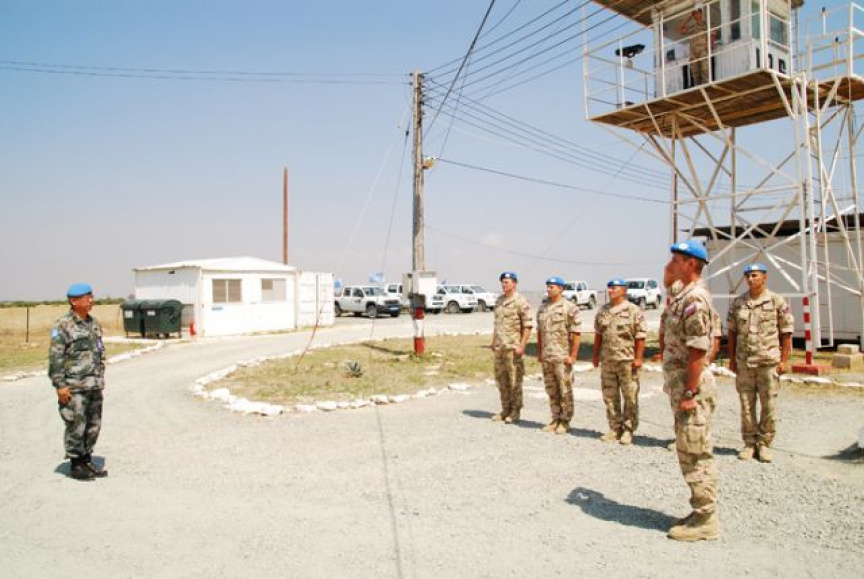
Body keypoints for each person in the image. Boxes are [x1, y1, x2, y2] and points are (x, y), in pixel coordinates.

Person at [662, 240, 719, 541]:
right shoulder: (682, 293)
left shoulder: (696, 298)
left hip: (691, 388)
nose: (671, 264)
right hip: (683, 385)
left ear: (691, 263)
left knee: (696, 451)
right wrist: (670, 269)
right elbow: (667, 281)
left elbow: (698, 351)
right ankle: (699, 511)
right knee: (687, 449)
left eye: (677, 259)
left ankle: (706, 519)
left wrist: (689, 393)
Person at [727, 263, 794, 463]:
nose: (750, 279)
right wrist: (732, 359)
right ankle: (749, 443)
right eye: (747, 276)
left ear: (764, 277)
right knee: (746, 405)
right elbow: (732, 332)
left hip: (768, 362)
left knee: (769, 405)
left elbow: (786, 333)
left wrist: (784, 361)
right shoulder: (738, 303)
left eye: (754, 275)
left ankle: (764, 444)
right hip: (745, 363)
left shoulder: (776, 301)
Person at [49, 283, 107, 481]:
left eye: (91, 296)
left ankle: (87, 459)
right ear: (73, 301)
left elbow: (99, 352)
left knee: (93, 424)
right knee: (76, 424)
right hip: (74, 386)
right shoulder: (62, 325)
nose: (91, 300)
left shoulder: (93, 324)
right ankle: (76, 463)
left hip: (94, 384)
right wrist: (60, 385)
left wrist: (100, 376)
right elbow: (56, 358)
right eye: (86, 297)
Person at [592, 278, 647, 445]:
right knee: (610, 396)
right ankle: (615, 428)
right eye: (609, 288)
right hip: (608, 360)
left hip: (627, 361)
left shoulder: (633, 310)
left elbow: (640, 336)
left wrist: (638, 358)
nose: (610, 291)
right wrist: (595, 355)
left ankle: (628, 430)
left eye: (614, 288)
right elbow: (598, 334)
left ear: (623, 290)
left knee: (630, 396)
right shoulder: (603, 310)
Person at [536, 277, 582, 435]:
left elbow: (576, 333)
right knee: (551, 389)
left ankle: (565, 420)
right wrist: (539, 352)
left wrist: (573, 356)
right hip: (547, 356)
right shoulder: (543, 308)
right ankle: (555, 418)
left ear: (561, 289)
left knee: (565, 390)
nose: (549, 289)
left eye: (552, 287)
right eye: (548, 286)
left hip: (562, 357)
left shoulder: (569, 308)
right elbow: (540, 332)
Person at [491, 271, 533, 425]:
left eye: (507, 282)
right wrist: (493, 342)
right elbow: (497, 325)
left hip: (513, 348)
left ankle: (515, 411)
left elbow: (527, 326)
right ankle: (505, 409)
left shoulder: (520, 301)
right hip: (500, 348)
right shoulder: (499, 301)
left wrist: (522, 345)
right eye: (502, 282)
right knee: (501, 381)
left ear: (514, 283)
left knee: (515, 381)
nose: (504, 284)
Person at [679, 8, 711, 86]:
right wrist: (688, 19)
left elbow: (711, 34)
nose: (695, 15)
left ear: (701, 13)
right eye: (694, 14)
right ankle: (697, 85)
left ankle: (705, 83)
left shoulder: (706, 23)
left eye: (697, 13)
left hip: (702, 48)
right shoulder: (692, 27)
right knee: (694, 69)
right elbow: (680, 29)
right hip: (693, 51)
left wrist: (709, 46)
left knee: (704, 67)